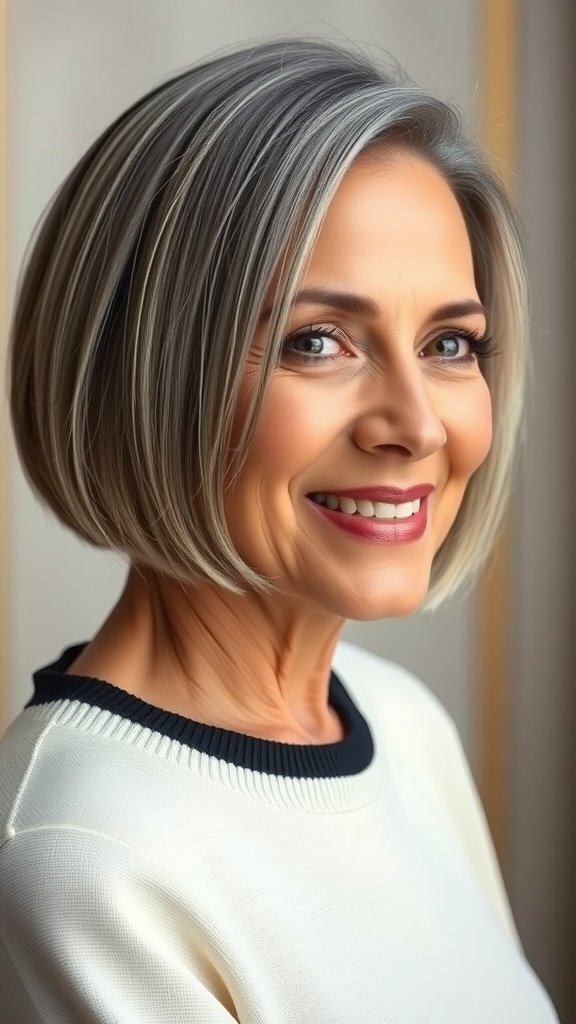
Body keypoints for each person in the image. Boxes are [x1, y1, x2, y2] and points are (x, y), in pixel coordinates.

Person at [0, 37, 560, 1024]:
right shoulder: (83, 854)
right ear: (151, 369)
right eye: (319, 340)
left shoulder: (403, 723)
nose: (418, 424)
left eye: (448, 344)